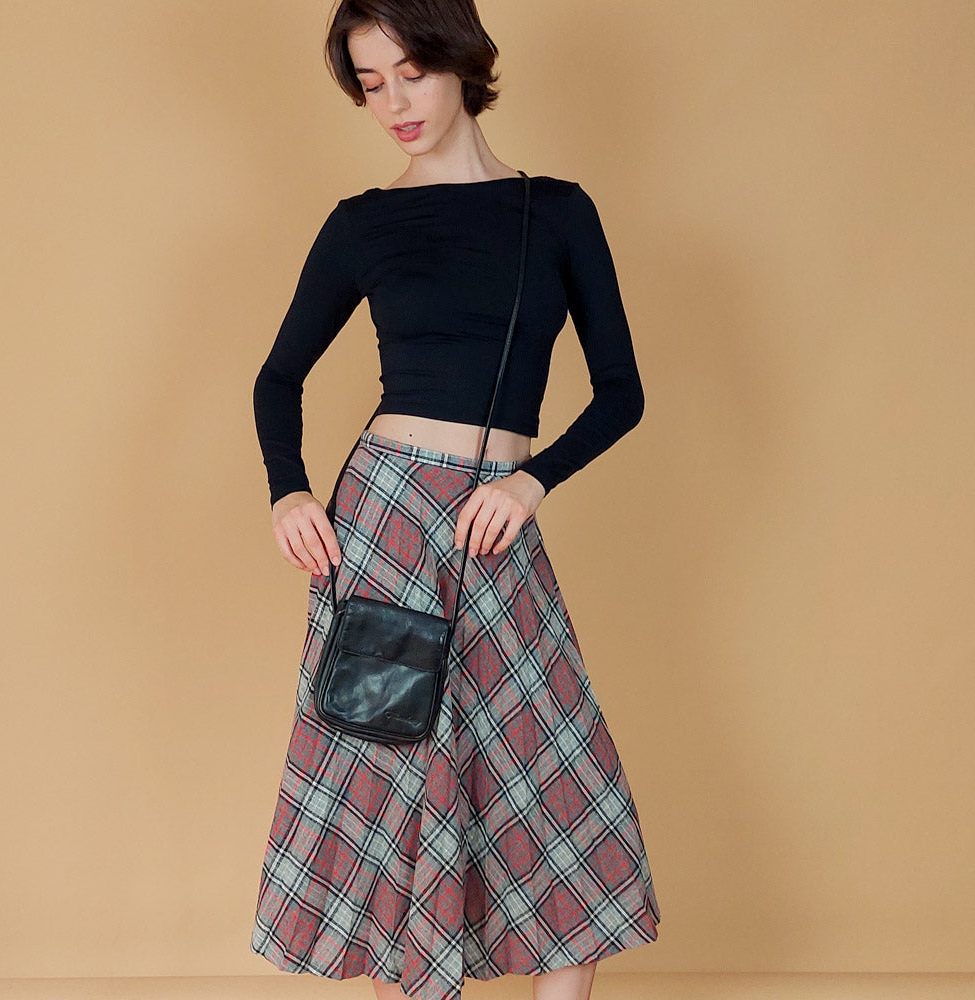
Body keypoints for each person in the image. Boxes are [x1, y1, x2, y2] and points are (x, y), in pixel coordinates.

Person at [249, 3, 661, 1000]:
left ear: (462, 61)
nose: (392, 101)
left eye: (410, 72)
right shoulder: (363, 224)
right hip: (385, 526)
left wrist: (531, 479)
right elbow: (277, 380)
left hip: (493, 523)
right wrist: (288, 491)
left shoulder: (555, 212)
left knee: (559, 785)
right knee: (395, 787)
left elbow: (622, 392)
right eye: (369, 83)